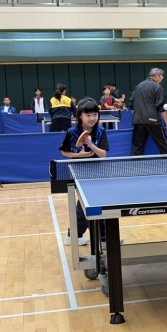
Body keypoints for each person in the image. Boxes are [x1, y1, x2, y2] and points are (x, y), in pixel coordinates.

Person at [60, 97, 122, 249]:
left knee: (85, 205)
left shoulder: (100, 131)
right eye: (88, 115)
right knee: (93, 204)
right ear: (80, 116)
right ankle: (103, 238)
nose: (92, 118)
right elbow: (64, 152)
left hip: (97, 172)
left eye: (95, 114)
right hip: (80, 172)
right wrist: (79, 155)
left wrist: (90, 145)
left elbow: (103, 154)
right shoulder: (72, 132)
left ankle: (73, 236)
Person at [130, 68, 167, 155]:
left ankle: (136, 163)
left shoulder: (138, 86)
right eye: (161, 76)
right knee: (163, 144)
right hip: (153, 120)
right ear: (156, 76)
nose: (162, 78)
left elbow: (131, 105)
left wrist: (139, 115)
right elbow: (161, 106)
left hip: (138, 120)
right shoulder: (158, 87)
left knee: (137, 147)